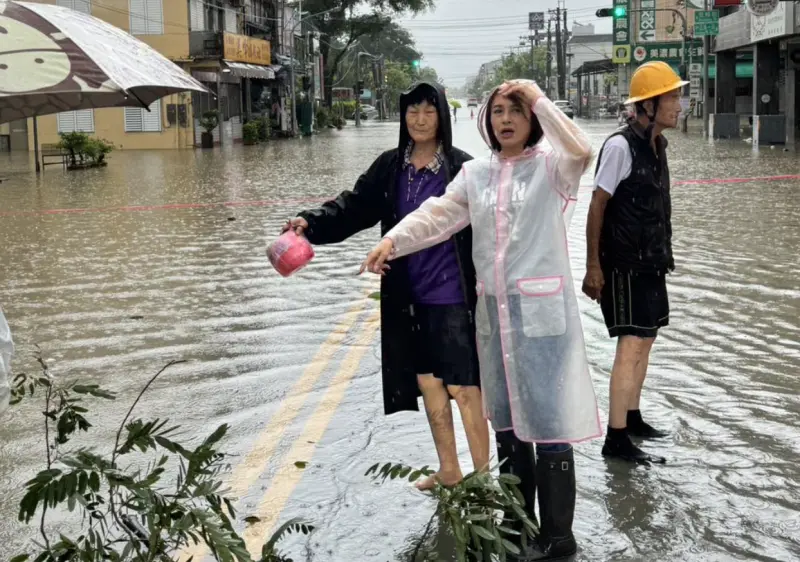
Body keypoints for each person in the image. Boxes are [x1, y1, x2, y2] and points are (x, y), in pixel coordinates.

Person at [361, 80, 600, 560]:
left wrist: (536, 96)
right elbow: (438, 214)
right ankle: (516, 530)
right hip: (494, 320)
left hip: (542, 320)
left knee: (549, 427)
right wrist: (394, 241)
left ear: (532, 119)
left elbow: (581, 148)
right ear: (485, 122)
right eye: (497, 112)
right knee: (510, 429)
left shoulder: (553, 168)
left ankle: (557, 538)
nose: (506, 119)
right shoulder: (477, 174)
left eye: (516, 111)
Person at [283, 82, 490, 491]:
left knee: (464, 388)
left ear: (443, 118)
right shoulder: (390, 167)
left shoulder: (464, 169)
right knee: (428, 382)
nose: (420, 119)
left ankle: (483, 478)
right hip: (406, 297)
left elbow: (492, 229)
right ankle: (449, 469)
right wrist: (311, 221)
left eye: (429, 111)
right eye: (412, 111)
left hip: (453, 295)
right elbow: (354, 206)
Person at [582, 61, 687, 465]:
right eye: (673, 97)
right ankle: (616, 437)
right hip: (624, 263)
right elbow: (597, 204)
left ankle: (633, 417)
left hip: (652, 261)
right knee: (630, 345)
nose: (680, 104)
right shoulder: (619, 146)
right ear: (648, 106)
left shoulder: (657, 145)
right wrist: (594, 266)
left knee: (647, 339)